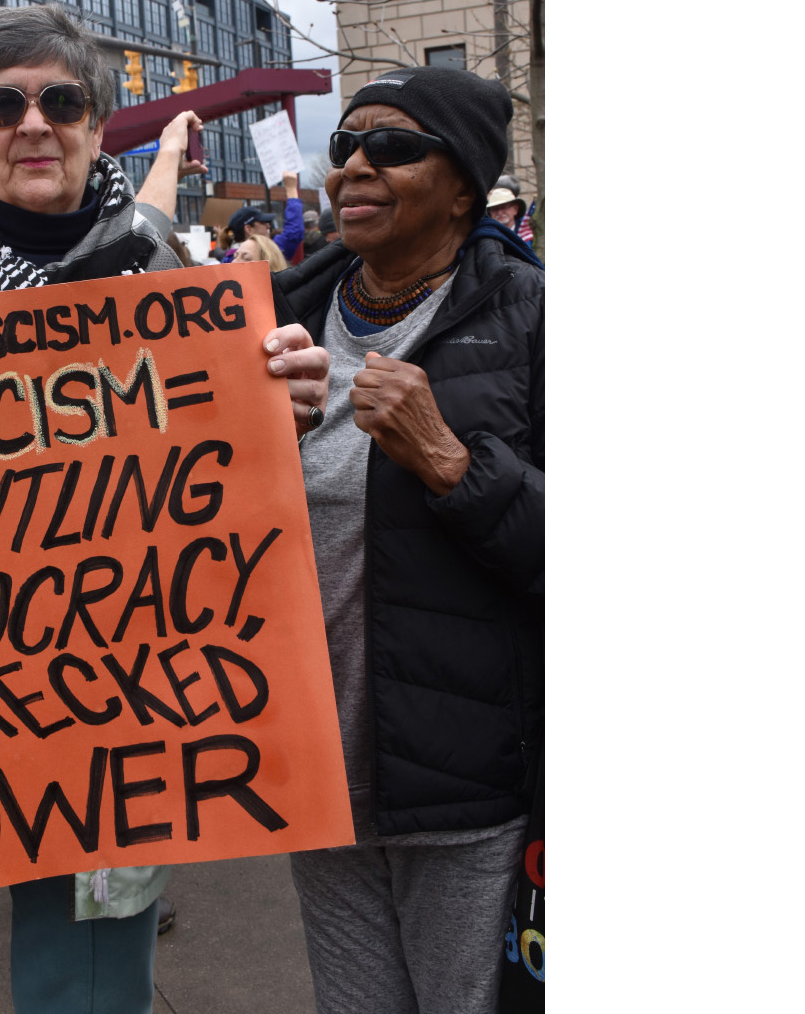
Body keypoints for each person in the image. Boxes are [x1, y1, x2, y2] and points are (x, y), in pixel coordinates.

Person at [0, 4, 329, 1014]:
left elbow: (215, 486)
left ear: (97, 127)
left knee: (88, 995)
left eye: (63, 101)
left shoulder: (167, 275)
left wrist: (280, 417)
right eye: (3, 103)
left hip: (108, 709)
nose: (34, 123)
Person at [270, 65, 543, 1014]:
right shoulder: (270, 319)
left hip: (463, 781)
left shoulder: (534, 320)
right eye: (343, 147)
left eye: (392, 146)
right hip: (311, 771)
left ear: (464, 181)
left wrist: (450, 462)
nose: (353, 168)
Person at [219, 173, 305, 265]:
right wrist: (291, 189)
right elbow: (294, 232)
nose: (268, 226)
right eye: (263, 223)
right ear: (249, 229)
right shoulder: (265, 252)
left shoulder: (227, 260)